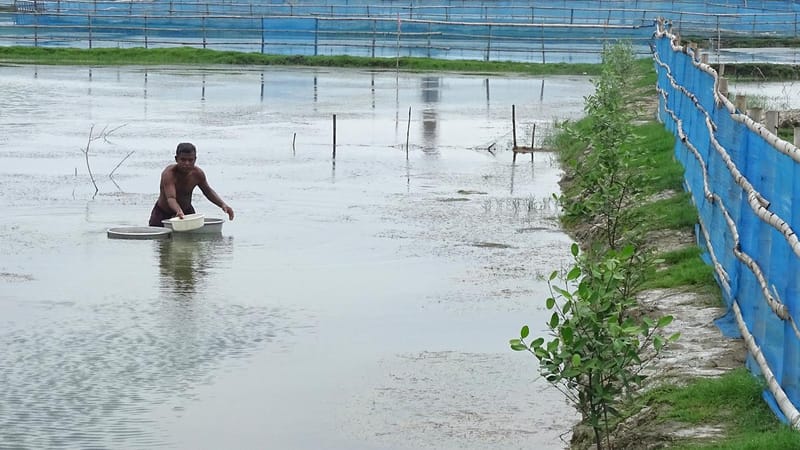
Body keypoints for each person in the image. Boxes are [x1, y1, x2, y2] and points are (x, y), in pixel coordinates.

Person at [148, 142, 235, 227]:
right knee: (160, 239)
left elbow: (207, 191)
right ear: (176, 159)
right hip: (163, 213)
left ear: (195, 159)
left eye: (190, 160)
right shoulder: (169, 174)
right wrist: (178, 211)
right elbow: (171, 198)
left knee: (192, 239)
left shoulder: (198, 174)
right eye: (183, 160)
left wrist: (223, 205)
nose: (187, 163)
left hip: (186, 212)